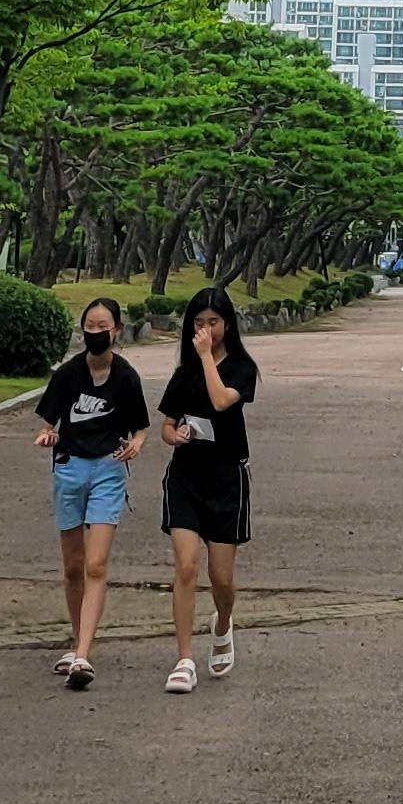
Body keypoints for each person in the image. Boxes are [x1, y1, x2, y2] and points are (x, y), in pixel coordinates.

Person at [35, 296, 150, 688]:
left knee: (96, 564)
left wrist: (136, 444)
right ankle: (77, 639)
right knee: (73, 566)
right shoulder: (68, 374)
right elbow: (49, 421)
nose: (96, 333)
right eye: (90, 327)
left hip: (108, 470)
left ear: (116, 330)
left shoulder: (126, 377)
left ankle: (83, 654)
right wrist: (48, 435)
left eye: (103, 327)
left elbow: (141, 427)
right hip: (70, 469)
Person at [155, 284, 258, 693]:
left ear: (227, 324)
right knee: (185, 566)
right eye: (198, 323)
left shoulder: (241, 368)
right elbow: (165, 425)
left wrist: (205, 359)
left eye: (213, 322)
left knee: (220, 577)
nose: (206, 330)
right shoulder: (185, 373)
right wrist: (175, 435)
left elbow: (220, 401)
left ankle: (223, 620)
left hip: (226, 479)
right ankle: (183, 658)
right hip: (186, 476)